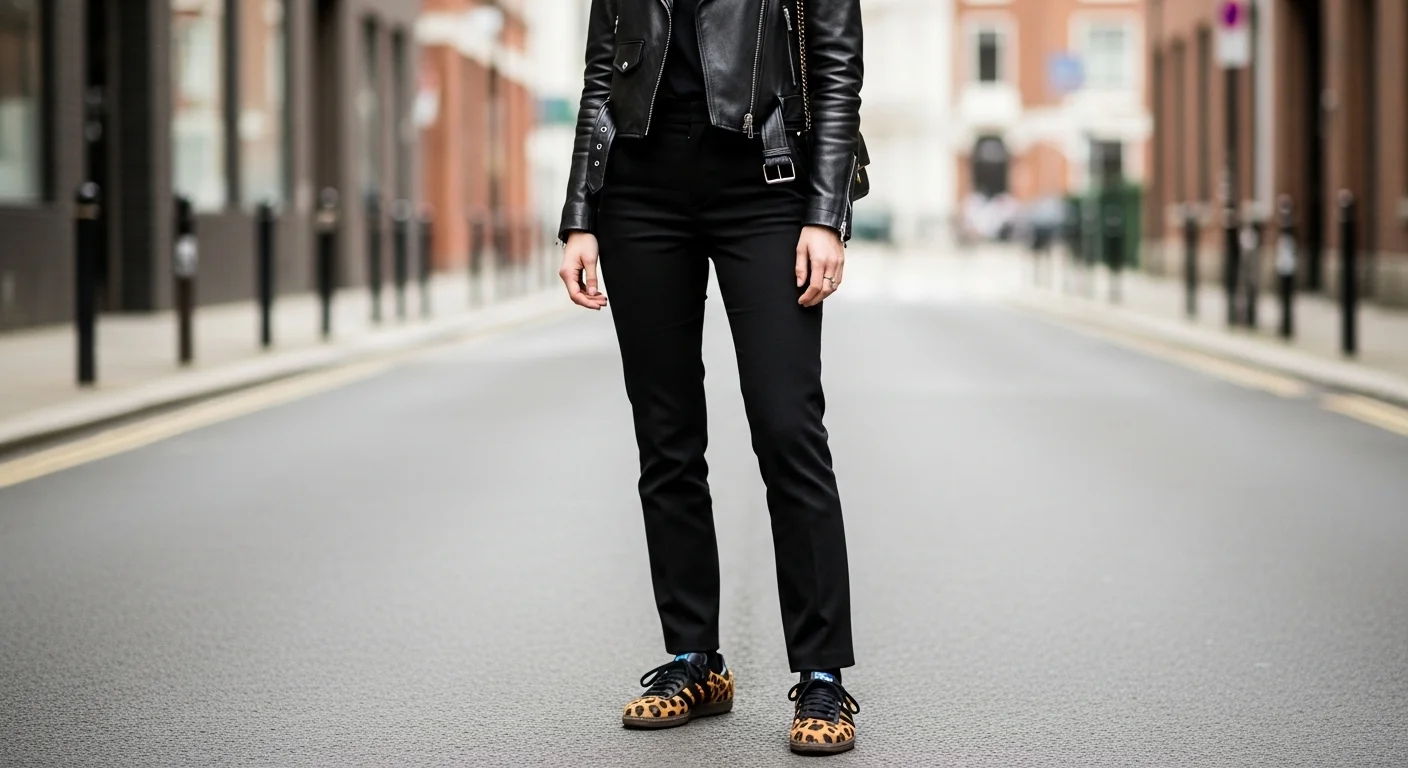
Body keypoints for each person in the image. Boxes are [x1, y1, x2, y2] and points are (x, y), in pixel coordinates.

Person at [556, 0, 864, 755]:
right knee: (666, 437)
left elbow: (834, 70)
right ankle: (693, 659)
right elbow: (604, 72)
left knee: (788, 427)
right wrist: (580, 212)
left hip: (765, 185)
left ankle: (822, 673)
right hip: (640, 193)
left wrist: (825, 214)